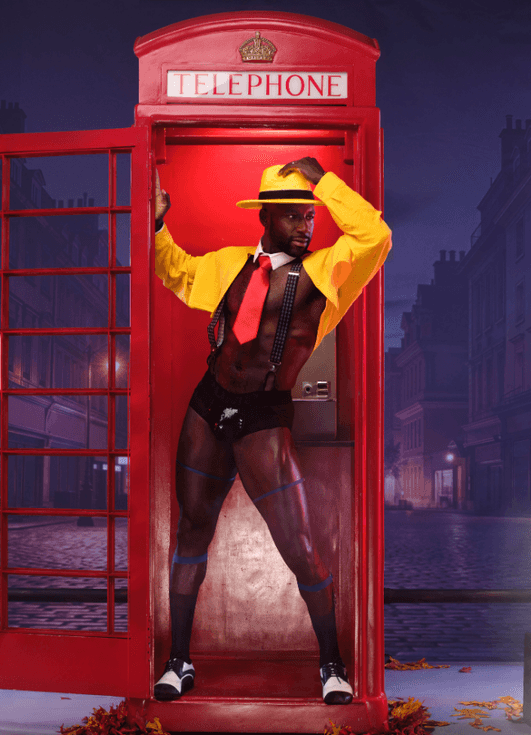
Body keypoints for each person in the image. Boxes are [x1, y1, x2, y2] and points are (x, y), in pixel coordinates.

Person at [152, 157, 391, 705]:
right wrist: (159, 226)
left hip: (264, 416)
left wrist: (323, 182)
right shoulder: (231, 265)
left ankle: (332, 665)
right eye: (292, 216)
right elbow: (178, 273)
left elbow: (375, 235)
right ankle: (178, 661)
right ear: (265, 218)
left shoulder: (325, 273)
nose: (306, 226)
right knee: (192, 532)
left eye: (309, 216)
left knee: (300, 546)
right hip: (206, 406)